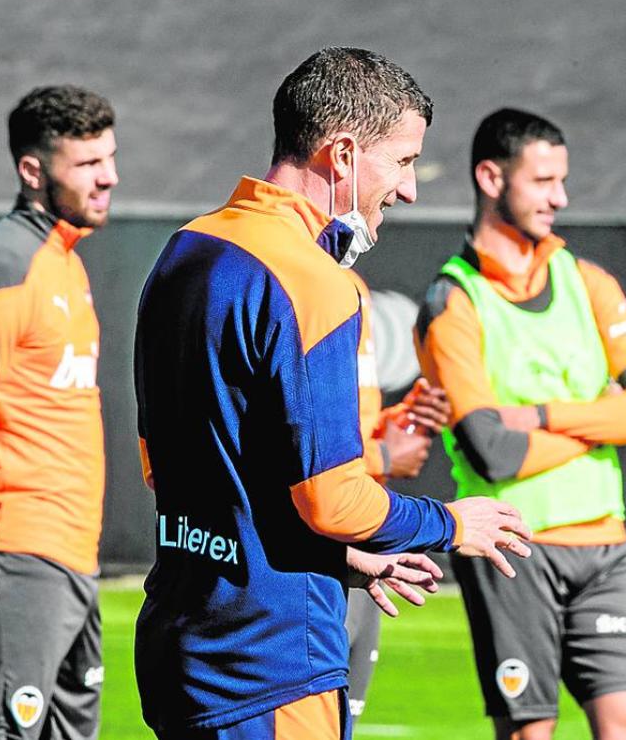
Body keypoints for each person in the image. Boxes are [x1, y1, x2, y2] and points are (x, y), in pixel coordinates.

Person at [133, 47, 531, 740]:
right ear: (341, 154)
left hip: (181, 643)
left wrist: (341, 557)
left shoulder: (184, 250)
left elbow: (174, 466)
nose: (408, 190)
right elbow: (332, 498)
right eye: (403, 162)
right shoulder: (314, 280)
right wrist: (453, 524)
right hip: (270, 661)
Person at [414, 108, 626, 740]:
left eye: (562, 180)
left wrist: (544, 417)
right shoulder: (453, 300)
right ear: (491, 178)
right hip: (510, 544)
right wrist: (600, 422)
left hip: (606, 547)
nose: (561, 198)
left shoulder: (589, 282)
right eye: (544, 181)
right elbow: (491, 449)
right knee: (529, 734)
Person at [0, 85, 117, 740]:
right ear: (32, 171)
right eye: (88, 164)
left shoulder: (66, 263)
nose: (109, 179)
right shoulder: (10, 261)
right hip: (18, 553)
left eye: (110, 159)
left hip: (73, 556)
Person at [343, 266, 452, 721]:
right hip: (309, 550)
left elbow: (343, 423)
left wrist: (398, 423)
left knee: (341, 722)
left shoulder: (354, 286)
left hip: (363, 534)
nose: (408, 190)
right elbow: (277, 448)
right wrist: (382, 457)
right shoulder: (285, 280)